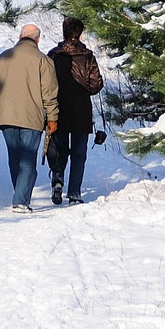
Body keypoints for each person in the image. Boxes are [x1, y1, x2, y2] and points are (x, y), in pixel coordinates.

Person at [0, 23, 58, 212]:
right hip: (32, 118)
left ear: (20, 36)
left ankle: (20, 194)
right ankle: (20, 200)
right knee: (27, 159)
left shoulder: (3, 58)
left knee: (14, 158)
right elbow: (49, 93)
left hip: (7, 117)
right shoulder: (43, 60)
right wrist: (52, 117)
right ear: (37, 40)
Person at [46, 17, 104, 205]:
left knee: (59, 150)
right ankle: (75, 194)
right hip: (81, 109)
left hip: (59, 108)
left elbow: (46, 83)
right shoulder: (88, 56)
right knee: (79, 154)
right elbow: (95, 86)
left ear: (64, 32)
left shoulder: (53, 55)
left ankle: (58, 179)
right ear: (80, 34)